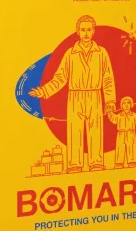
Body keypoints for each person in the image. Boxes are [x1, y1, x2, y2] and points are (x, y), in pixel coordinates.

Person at [29, 15, 116, 173]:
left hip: (95, 96)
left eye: (89, 29)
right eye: (83, 30)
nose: (86, 33)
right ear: (77, 31)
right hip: (75, 97)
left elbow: (108, 78)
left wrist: (110, 101)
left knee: (95, 130)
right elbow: (60, 78)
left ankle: (96, 162)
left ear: (94, 31)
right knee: (74, 131)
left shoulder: (101, 53)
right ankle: (75, 164)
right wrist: (43, 91)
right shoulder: (70, 54)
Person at [107, 96, 136, 169]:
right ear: (122, 105)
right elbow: (113, 119)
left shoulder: (133, 115)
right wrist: (110, 112)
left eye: (128, 103)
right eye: (124, 103)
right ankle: (119, 163)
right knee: (120, 148)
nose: (126, 105)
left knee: (131, 147)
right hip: (121, 133)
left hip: (131, 133)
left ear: (131, 104)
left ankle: (132, 162)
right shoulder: (119, 115)